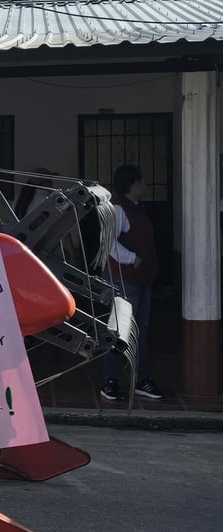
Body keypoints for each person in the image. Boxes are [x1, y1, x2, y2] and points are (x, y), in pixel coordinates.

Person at [101, 164, 163, 402]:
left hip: (141, 279)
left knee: (140, 331)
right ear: (134, 184)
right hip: (124, 279)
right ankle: (110, 381)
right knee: (119, 331)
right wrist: (132, 259)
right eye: (142, 181)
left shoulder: (136, 207)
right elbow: (108, 243)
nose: (144, 185)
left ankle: (140, 379)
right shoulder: (118, 207)